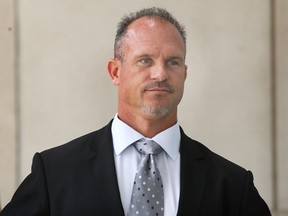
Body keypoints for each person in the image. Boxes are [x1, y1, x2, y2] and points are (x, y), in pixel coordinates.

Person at [0, 7, 271, 216]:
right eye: (145, 60)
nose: (160, 73)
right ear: (115, 72)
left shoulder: (234, 185)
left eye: (173, 62)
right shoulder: (54, 173)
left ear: (184, 74)